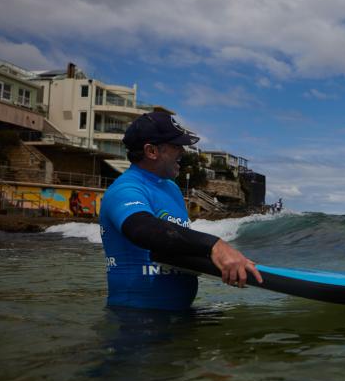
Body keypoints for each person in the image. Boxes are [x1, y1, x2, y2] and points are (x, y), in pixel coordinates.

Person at [100, 112, 262, 310]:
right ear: (151, 151)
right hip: (136, 319)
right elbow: (141, 229)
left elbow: (176, 244)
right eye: (176, 146)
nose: (183, 151)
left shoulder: (171, 188)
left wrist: (227, 262)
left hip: (181, 313)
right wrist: (214, 246)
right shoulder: (126, 189)